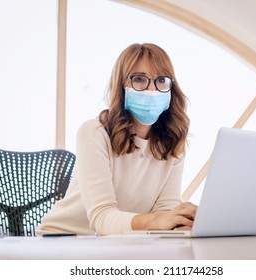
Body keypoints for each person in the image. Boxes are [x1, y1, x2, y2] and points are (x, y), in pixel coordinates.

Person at [36, 43, 197, 236]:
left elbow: (164, 213)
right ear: (121, 86)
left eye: (161, 80)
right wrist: (158, 221)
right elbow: (102, 218)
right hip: (64, 239)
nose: (151, 89)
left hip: (123, 241)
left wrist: (178, 222)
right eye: (139, 79)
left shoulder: (173, 142)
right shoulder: (93, 133)